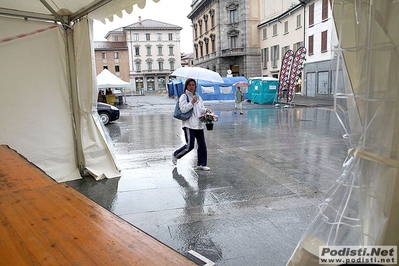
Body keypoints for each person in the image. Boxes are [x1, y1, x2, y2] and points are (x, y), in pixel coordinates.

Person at [172, 78, 212, 171]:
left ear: (195, 86)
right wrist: (192, 102)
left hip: (198, 124)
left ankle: (201, 164)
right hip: (189, 125)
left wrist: (206, 110)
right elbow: (183, 109)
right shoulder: (184, 96)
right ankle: (176, 155)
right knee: (190, 146)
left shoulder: (198, 97)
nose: (191, 87)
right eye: (189, 85)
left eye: (193, 85)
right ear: (186, 86)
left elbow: (201, 108)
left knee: (202, 145)